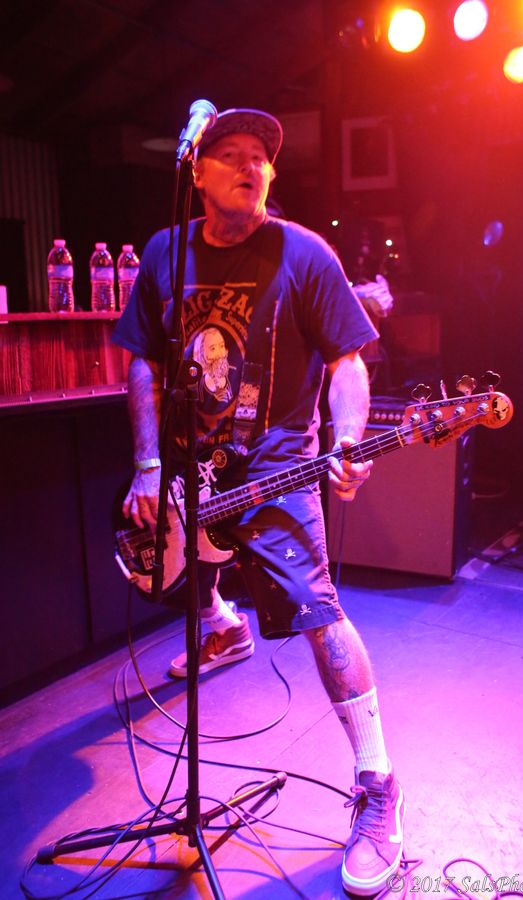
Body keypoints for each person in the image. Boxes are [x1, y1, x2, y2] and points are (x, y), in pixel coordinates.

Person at [112, 107, 404, 895]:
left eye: (262, 157)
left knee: (319, 614)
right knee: (172, 564)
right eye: (232, 154)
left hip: (275, 468)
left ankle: (378, 782)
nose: (251, 166)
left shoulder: (302, 252)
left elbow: (348, 362)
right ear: (197, 172)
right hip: (187, 467)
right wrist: (147, 465)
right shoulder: (166, 252)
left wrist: (348, 438)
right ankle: (221, 623)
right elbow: (142, 360)